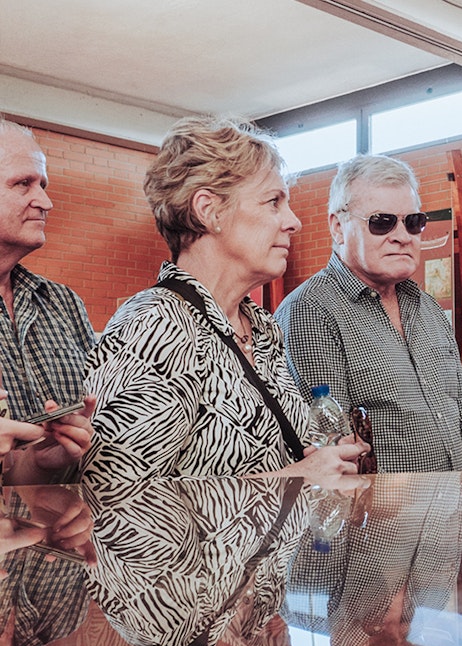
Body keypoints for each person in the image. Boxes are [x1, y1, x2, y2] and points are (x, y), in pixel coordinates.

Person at [83, 115, 364, 483]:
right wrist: (297, 477)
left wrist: (318, 456)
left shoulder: (262, 328)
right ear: (209, 210)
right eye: (273, 202)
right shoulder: (154, 328)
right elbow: (116, 500)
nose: (294, 221)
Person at [275, 154, 462, 473]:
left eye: (413, 222)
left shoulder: (428, 309)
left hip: (460, 516)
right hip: (383, 521)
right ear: (338, 227)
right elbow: (334, 452)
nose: (403, 236)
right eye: (382, 222)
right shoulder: (311, 311)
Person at [0, 120, 96, 484]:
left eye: (43, 184)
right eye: (24, 183)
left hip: (54, 530)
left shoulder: (63, 303)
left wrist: (43, 461)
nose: (46, 201)